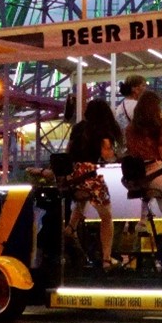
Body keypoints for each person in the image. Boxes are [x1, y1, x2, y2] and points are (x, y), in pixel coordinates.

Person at [124, 91, 162, 274]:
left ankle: (143, 221)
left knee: (147, 192)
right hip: (156, 175)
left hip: (135, 180)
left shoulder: (129, 129)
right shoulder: (157, 127)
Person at [65, 98, 122, 267]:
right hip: (89, 173)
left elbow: (68, 151)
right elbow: (108, 156)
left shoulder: (78, 128)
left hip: (73, 175)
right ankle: (106, 258)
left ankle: (69, 229)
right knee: (106, 217)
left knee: (81, 202)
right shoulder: (102, 131)